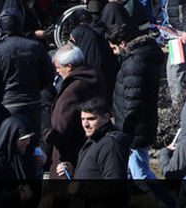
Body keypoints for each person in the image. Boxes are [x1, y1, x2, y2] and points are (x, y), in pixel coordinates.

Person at [108, 21, 164, 183]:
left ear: (123, 43)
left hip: (133, 129)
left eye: (114, 48)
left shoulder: (134, 64)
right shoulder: (142, 56)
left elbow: (132, 102)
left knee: (141, 174)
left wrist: (124, 133)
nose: (114, 53)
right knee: (134, 171)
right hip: (138, 127)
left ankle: (164, 200)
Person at [46, 44, 107, 180]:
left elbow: (61, 128)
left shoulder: (72, 91)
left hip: (69, 157)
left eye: (58, 67)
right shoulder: (96, 78)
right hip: (93, 147)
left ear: (69, 66)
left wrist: (47, 134)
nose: (57, 72)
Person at [60, 98, 130, 184]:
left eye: (91, 119)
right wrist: (72, 173)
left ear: (106, 117)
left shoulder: (111, 144)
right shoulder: (93, 140)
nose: (85, 124)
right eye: (82, 119)